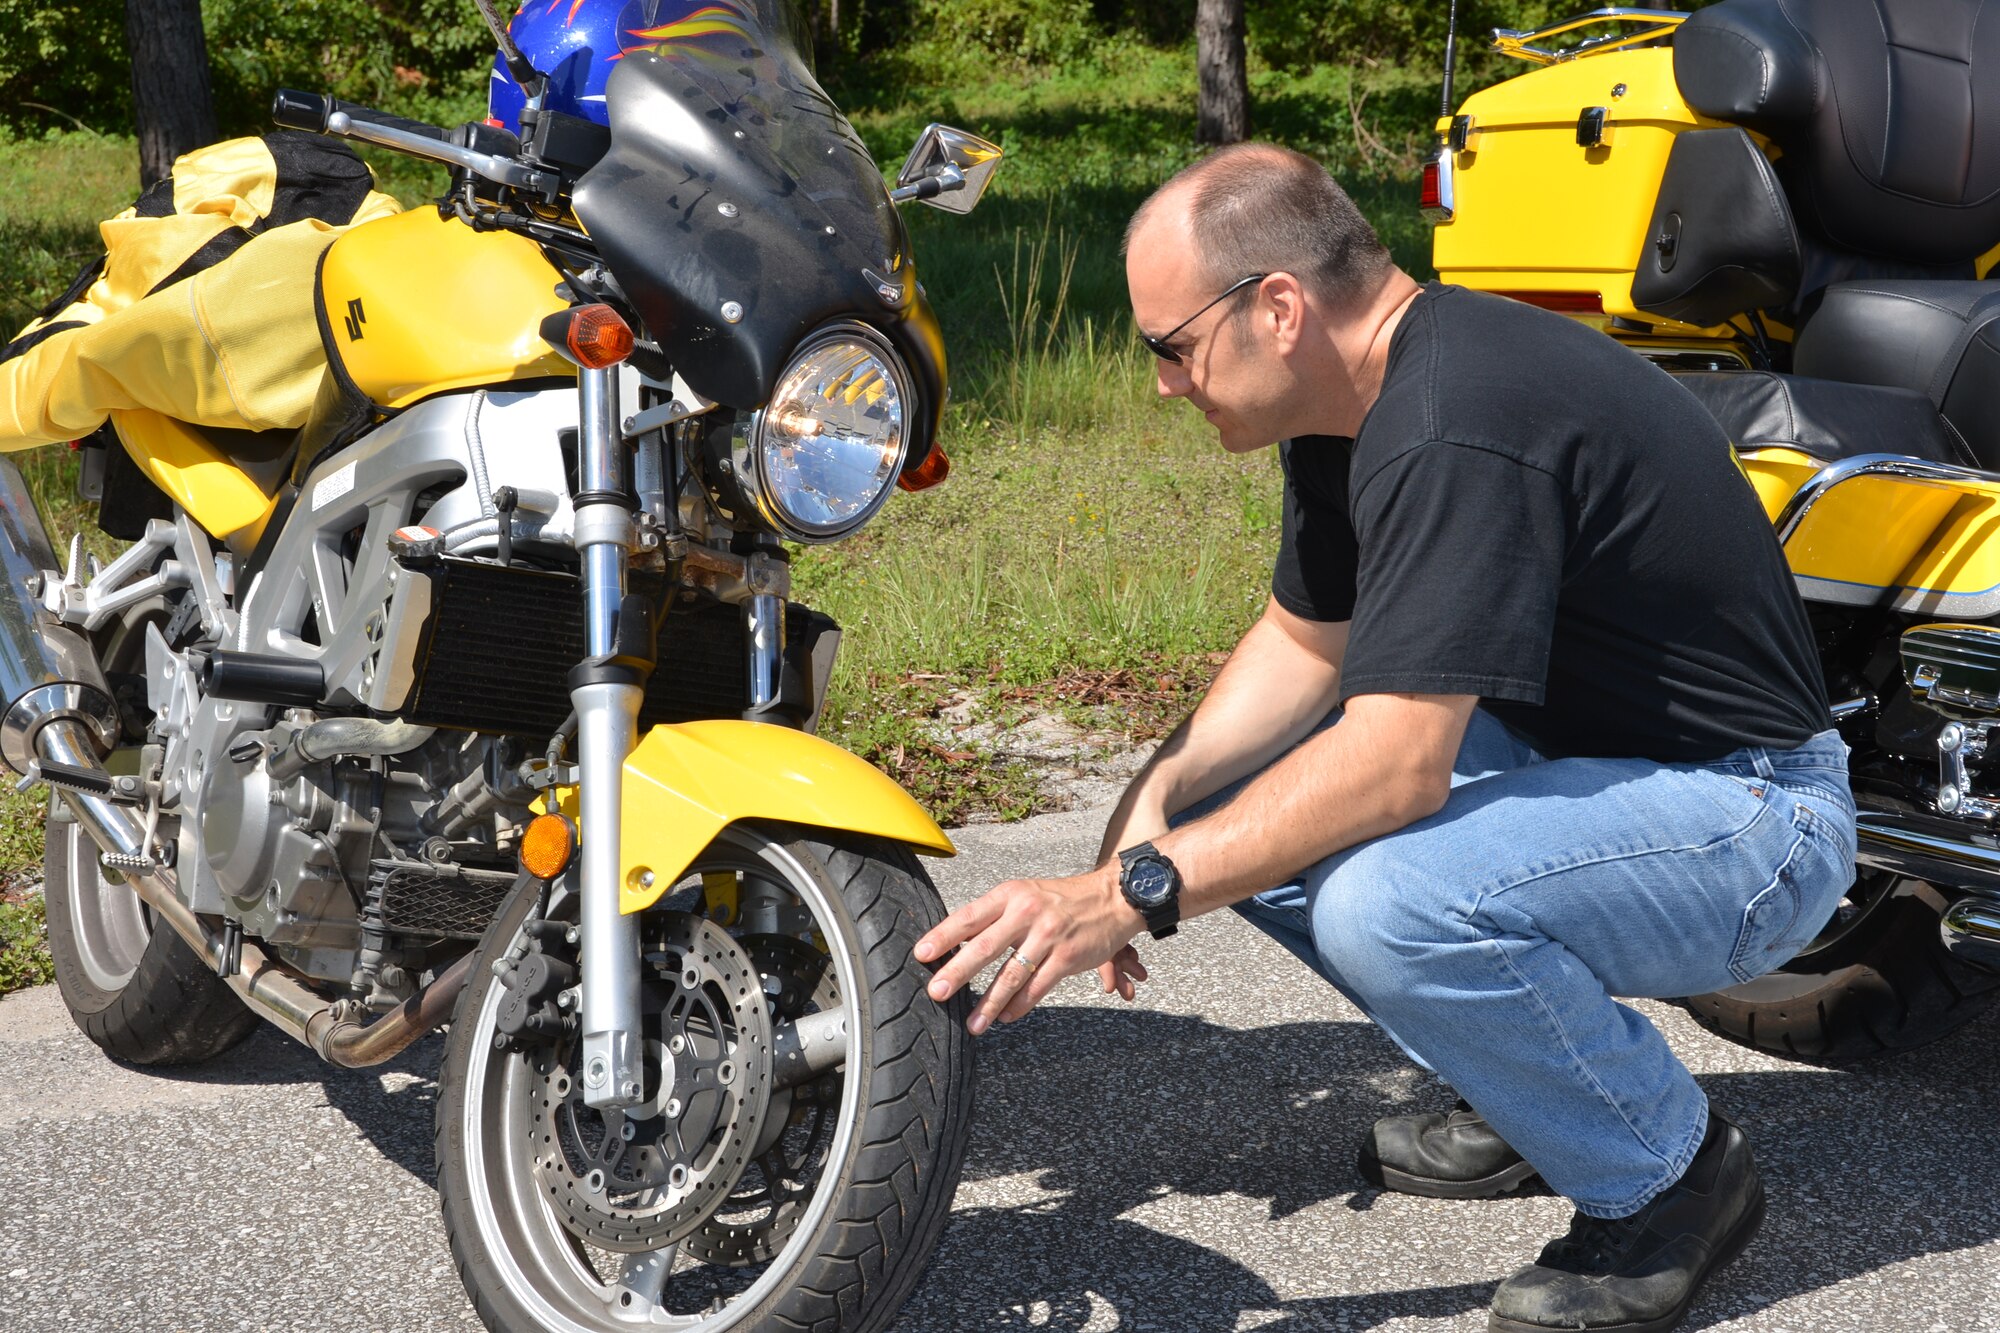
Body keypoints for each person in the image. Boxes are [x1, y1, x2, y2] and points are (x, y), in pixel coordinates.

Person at [911, 142, 1858, 1333]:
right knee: (1236, 808)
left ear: (1277, 308)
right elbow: (1307, 643)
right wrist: (1159, 794)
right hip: (1604, 773)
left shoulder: (1457, 414)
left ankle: (1666, 1173)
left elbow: (1397, 760)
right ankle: (1526, 1088)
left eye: (1168, 348)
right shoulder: (1350, 404)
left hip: (1751, 817)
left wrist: (1133, 893)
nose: (1161, 382)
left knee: (1385, 897)